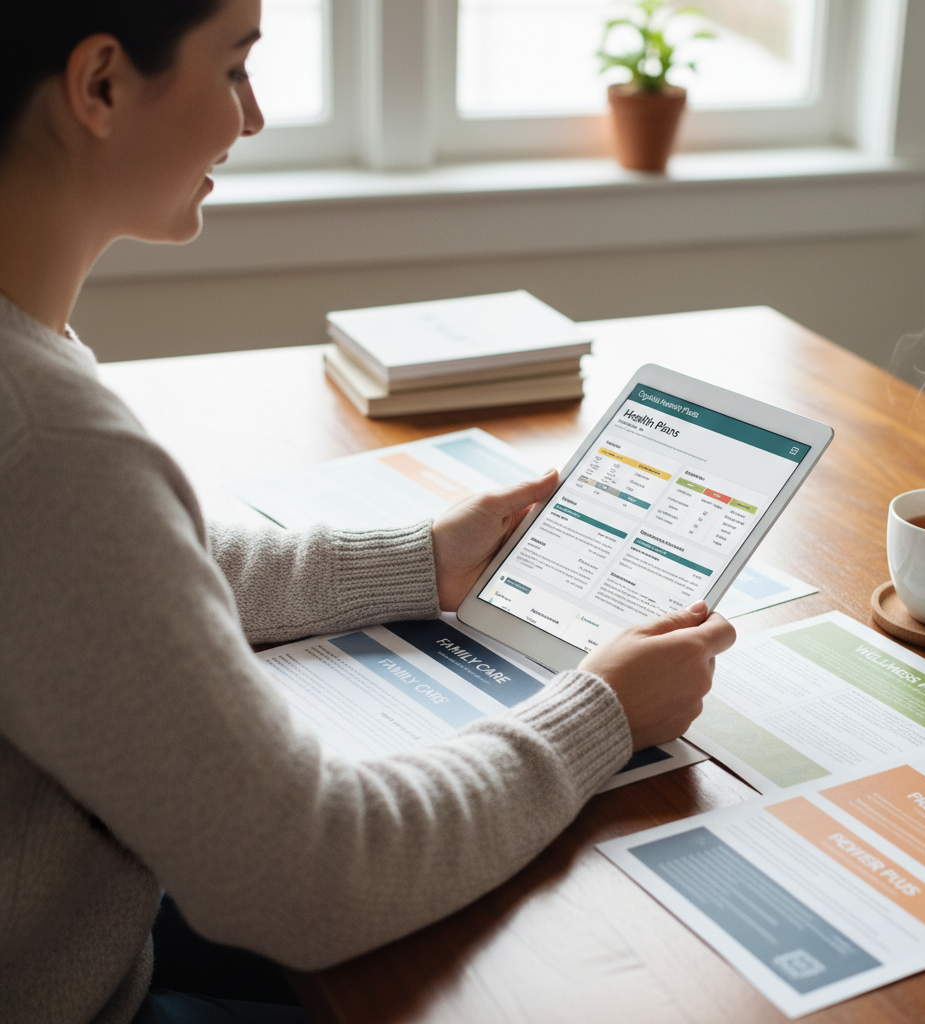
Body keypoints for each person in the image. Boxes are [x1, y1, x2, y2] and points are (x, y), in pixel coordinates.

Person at [0, 2, 737, 1022]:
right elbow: (316, 876)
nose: (249, 120)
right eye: (234, 70)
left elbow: (113, 572)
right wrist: (603, 713)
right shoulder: (48, 439)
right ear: (101, 86)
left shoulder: (31, 380)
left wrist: (416, 560)